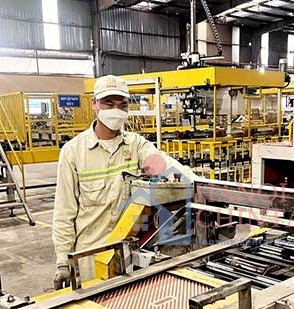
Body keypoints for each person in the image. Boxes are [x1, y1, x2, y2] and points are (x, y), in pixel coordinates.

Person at [52, 75, 196, 289]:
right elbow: (64, 212)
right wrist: (63, 261)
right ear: (94, 104)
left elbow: (166, 166)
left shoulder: (135, 145)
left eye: (122, 105)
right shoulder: (73, 152)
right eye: (109, 103)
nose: (116, 110)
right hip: (90, 258)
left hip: (129, 254)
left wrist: (200, 184)